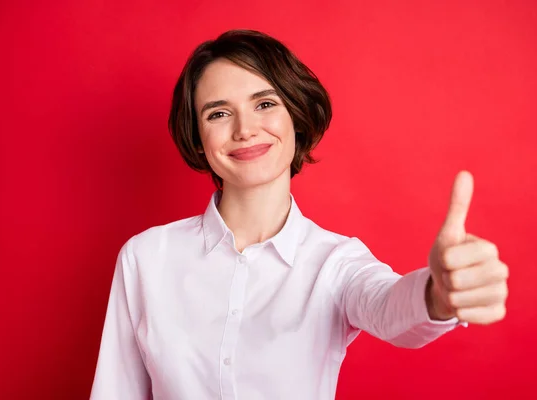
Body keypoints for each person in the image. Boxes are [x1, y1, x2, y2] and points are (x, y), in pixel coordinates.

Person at [89, 29, 509, 400]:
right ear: (198, 138)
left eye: (265, 104)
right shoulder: (145, 258)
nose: (244, 129)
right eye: (218, 113)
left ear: (296, 117)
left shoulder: (336, 263)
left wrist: (438, 294)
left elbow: (389, 307)